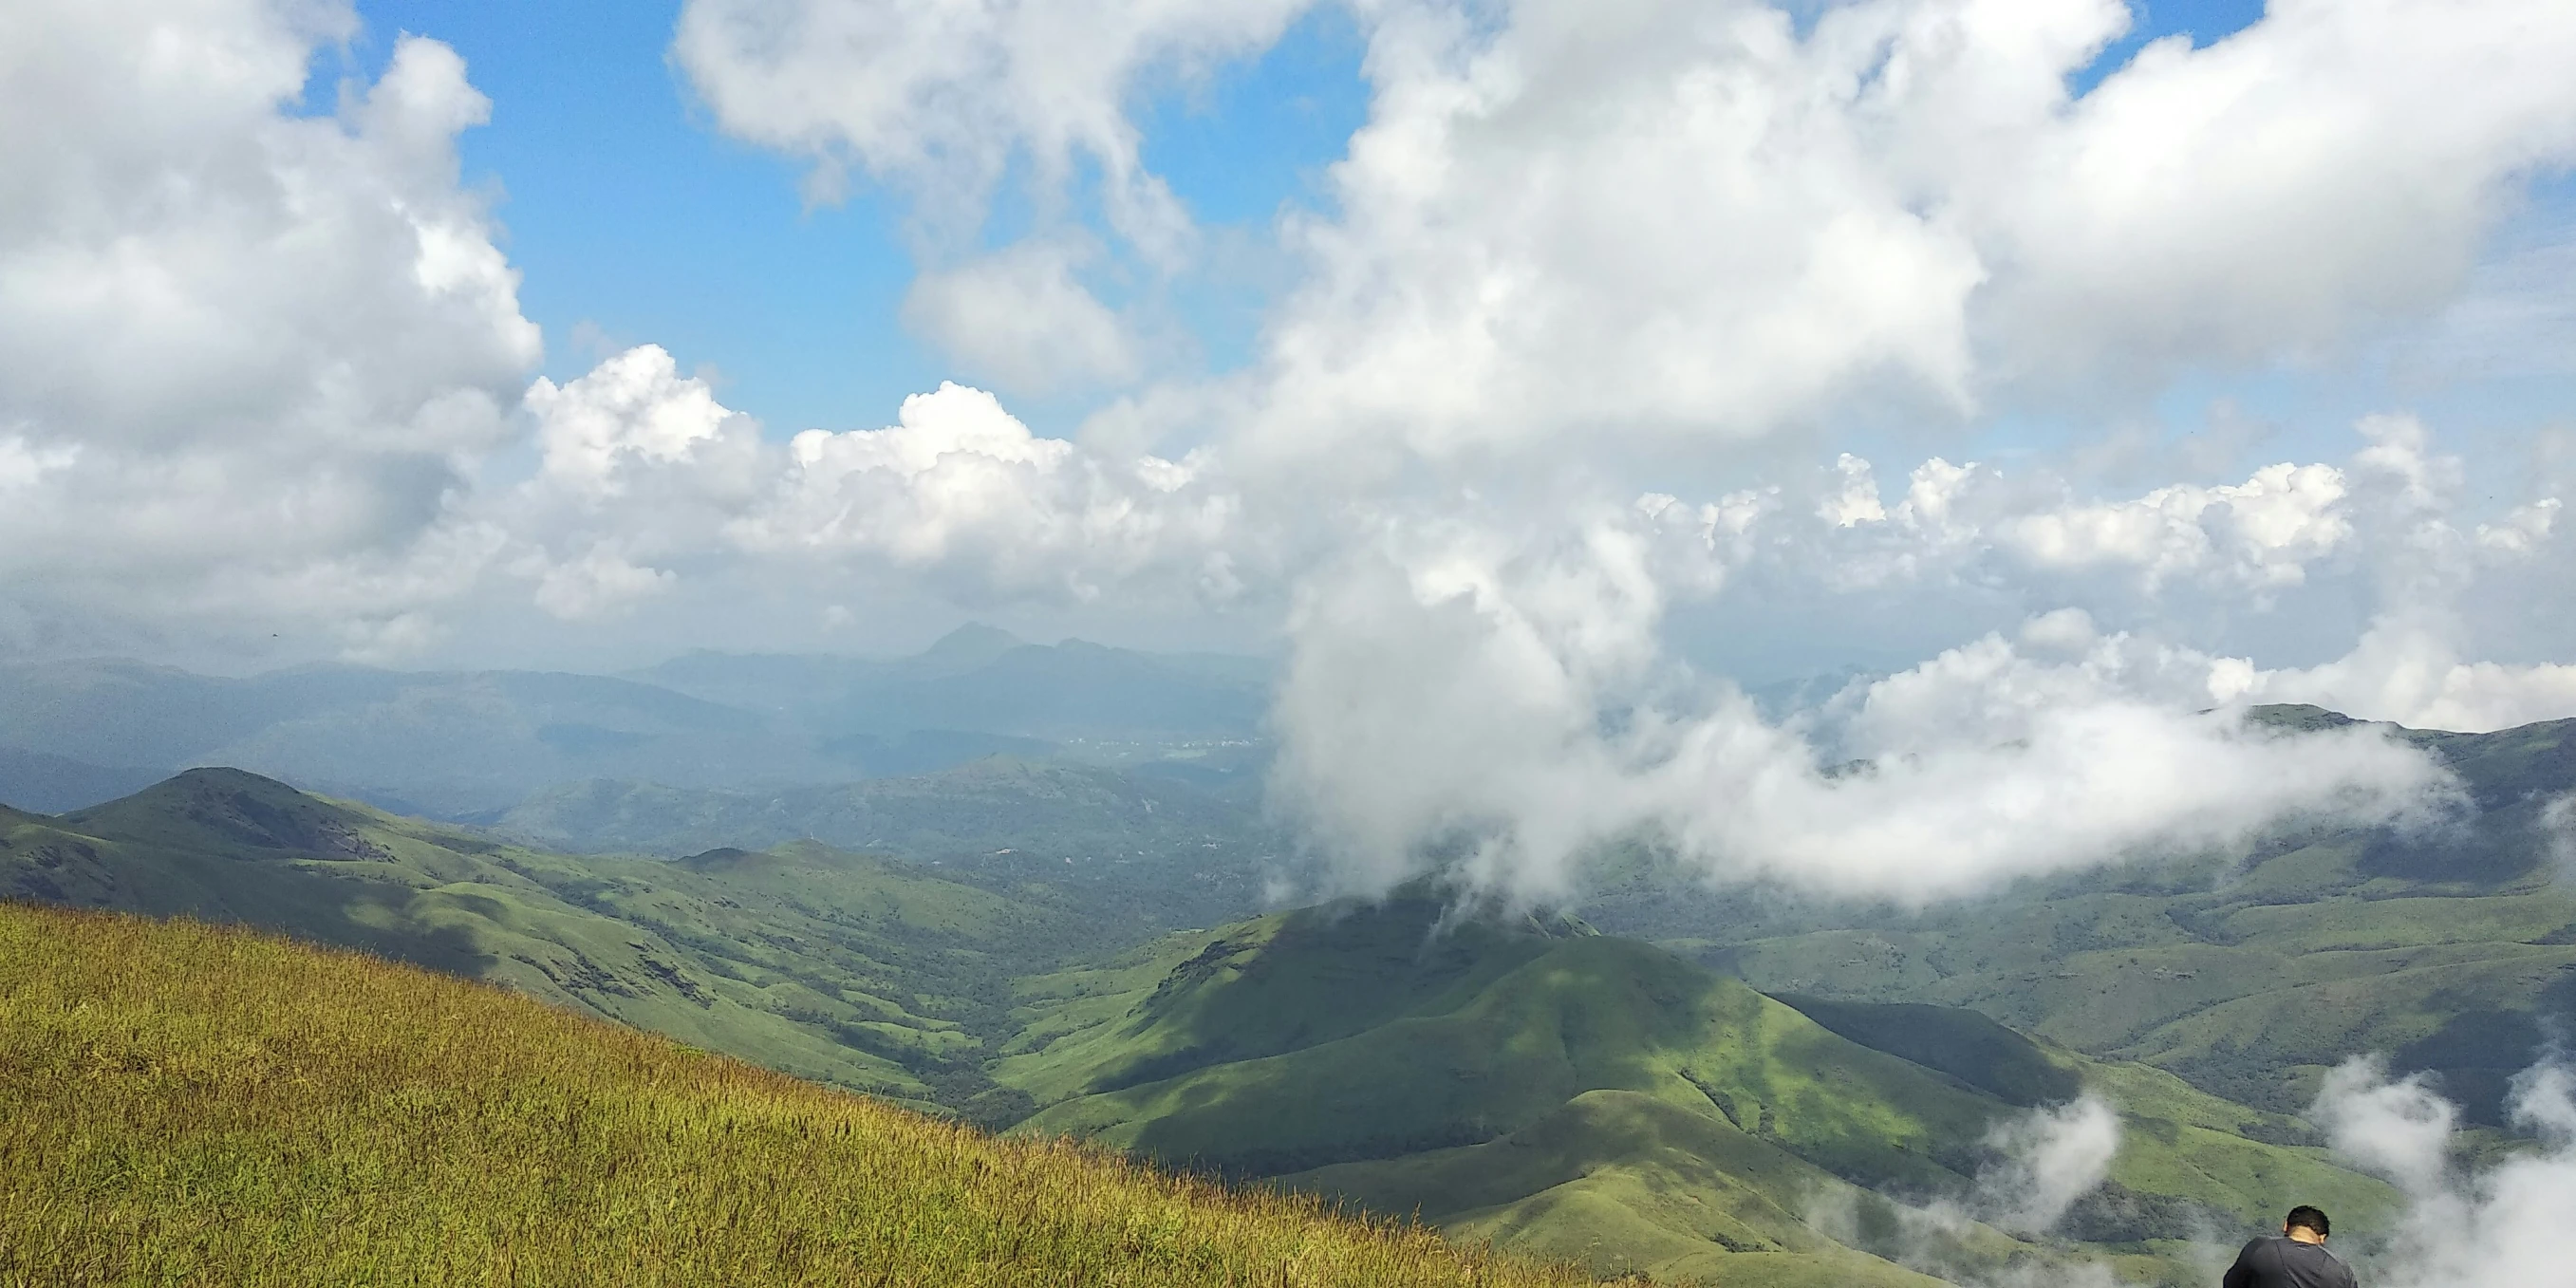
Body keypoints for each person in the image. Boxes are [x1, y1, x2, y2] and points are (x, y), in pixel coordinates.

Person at [2221, 1206, 2356, 1288]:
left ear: (2285, 1226)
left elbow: (2231, 1284)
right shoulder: (2341, 1269)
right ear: (2322, 1238)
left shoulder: (2260, 1248)